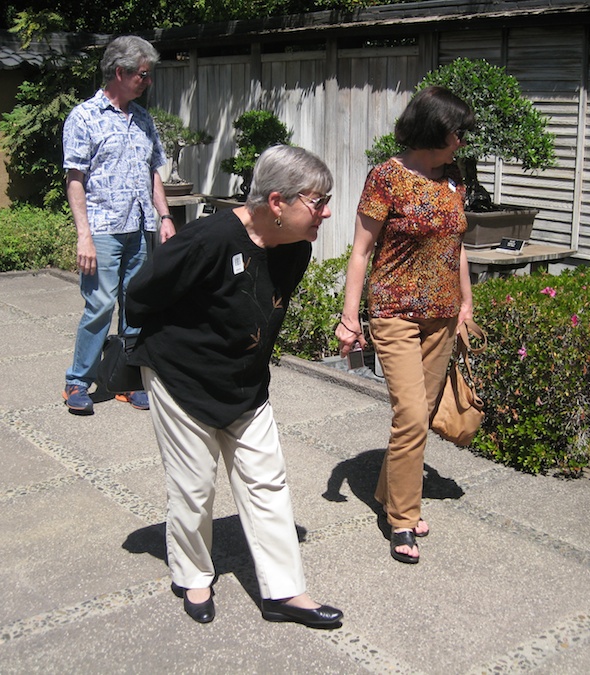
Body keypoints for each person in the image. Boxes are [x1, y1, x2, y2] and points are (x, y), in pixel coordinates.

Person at [125, 145, 344, 628]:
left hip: (246, 385)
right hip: (183, 379)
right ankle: (193, 575)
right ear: (276, 202)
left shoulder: (295, 248)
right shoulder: (207, 239)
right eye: (318, 201)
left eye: (327, 199)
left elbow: (263, 309)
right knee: (194, 487)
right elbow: (142, 293)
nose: (327, 212)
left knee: (267, 482)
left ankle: (285, 594)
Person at [335, 86, 475, 565]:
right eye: (456, 132)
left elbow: (457, 246)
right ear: (434, 130)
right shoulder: (386, 178)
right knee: (412, 416)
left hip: (442, 317)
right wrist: (350, 316)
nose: (461, 140)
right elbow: (361, 251)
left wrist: (465, 305)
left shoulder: (455, 177)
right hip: (394, 313)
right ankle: (401, 520)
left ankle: (387, 491)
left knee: (421, 415)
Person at [61, 35, 175, 415]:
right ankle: (77, 381)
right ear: (120, 72)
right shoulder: (84, 117)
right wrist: (84, 237)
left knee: (134, 306)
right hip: (103, 230)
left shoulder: (142, 119)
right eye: (144, 74)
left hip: (139, 228)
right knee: (100, 305)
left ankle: (126, 381)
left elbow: (152, 172)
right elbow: (74, 178)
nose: (148, 82)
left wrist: (165, 216)